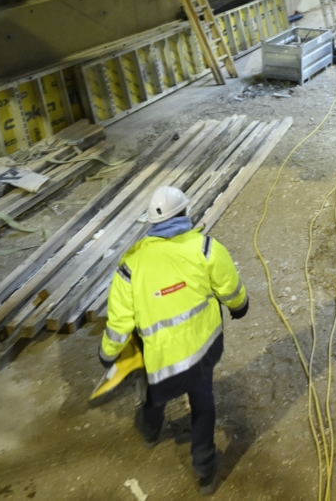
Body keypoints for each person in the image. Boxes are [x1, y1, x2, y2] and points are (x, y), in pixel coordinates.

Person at [100, 186, 249, 495]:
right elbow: (229, 287)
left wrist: (108, 352)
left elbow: (119, 321)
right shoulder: (206, 249)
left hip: (161, 355)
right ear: (184, 213)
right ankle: (205, 468)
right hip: (201, 347)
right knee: (203, 400)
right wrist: (239, 306)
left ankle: (151, 431)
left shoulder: (132, 266)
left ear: (151, 223)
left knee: (156, 393)